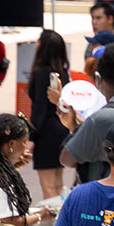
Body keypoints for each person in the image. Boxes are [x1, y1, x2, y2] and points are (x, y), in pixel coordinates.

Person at [58, 40, 114, 185]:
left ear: (98, 78)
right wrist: (75, 126)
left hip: (106, 198)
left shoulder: (102, 118)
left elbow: (67, 158)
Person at [0, 114, 57, 226]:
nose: (26, 147)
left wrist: (14, 164)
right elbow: (6, 222)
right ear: (11, 144)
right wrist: (40, 216)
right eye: (24, 141)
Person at [29, 30, 72, 200]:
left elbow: (38, 108)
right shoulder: (62, 72)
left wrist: (32, 137)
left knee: (48, 188)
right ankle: (62, 220)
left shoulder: (41, 72)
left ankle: (53, 225)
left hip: (46, 131)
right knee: (58, 185)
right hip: (61, 129)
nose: (36, 43)